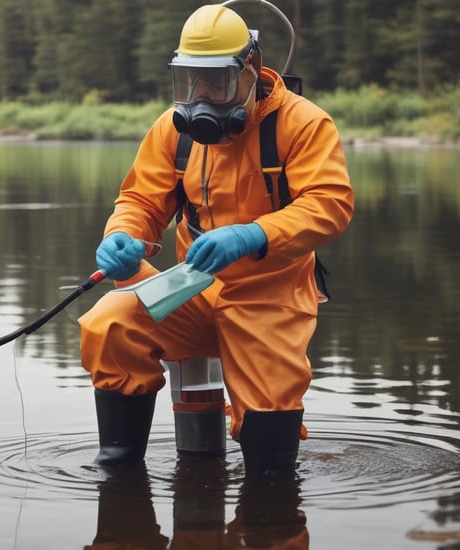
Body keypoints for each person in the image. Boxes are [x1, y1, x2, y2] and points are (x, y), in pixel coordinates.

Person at [79, 4, 354, 478]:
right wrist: (122, 236)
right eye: (189, 79)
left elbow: (330, 205)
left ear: (250, 67)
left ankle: (270, 500)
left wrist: (254, 234)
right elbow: (140, 201)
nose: (200, 94)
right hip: (195, 289)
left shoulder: (304, 124)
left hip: (274, 297)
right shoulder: (174, 129)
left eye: (216, 81)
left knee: (270, 465)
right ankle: (119, 478)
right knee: (110, 323)